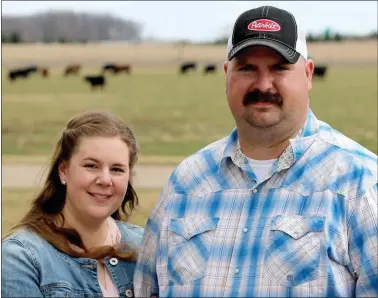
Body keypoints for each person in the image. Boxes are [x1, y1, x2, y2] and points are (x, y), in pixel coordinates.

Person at [133, 5, 378, 298]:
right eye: (247, 68)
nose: (263, 84)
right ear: (227, 74)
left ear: (309, 74)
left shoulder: (360, 183)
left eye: (279, 68)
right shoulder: (187, 182)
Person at [2, 110, 144, 298]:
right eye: (91, 166)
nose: (105, 179)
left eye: (117, 169)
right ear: (64, 171)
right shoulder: (21, 257)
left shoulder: (144, 247)